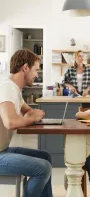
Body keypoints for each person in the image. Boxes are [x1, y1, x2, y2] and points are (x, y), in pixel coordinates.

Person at [0, 49, 53, 197]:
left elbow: (28, 111)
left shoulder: (15, 90)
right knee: (43, 168)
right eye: (36, 70)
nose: (37, 74)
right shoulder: (6, 87)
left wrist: (31, 116)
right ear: (25, 68)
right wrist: (32, 117)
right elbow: (10, 122)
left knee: (45, 157)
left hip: (3, 149)